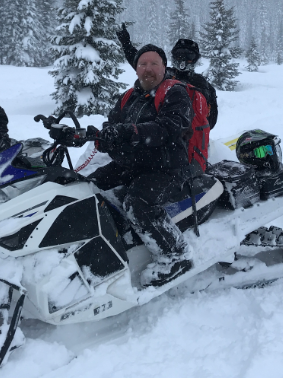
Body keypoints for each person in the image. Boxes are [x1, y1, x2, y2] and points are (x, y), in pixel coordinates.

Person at [89, 44, 195, 287]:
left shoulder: (175, 93)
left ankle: (176, 256)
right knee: (90, 187)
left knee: (138, 202)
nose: (148, 69)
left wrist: (131, 132)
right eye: (142, 64)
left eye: (154, 64)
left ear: (164, 67)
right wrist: (99, 137)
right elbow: (112, 128)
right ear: (136, 68)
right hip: (132, 164)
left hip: (167, 168)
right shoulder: (129, 96)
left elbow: (169, 128)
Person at [116, 24, 218, 129]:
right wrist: (127, 45)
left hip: (168, 136)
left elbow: (209, 120)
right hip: (163, 134)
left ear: (195, 59)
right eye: (179, 56)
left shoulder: (200, 83)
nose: (183, 61)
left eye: (189, 57)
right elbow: (143, 66)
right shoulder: (167, 74)